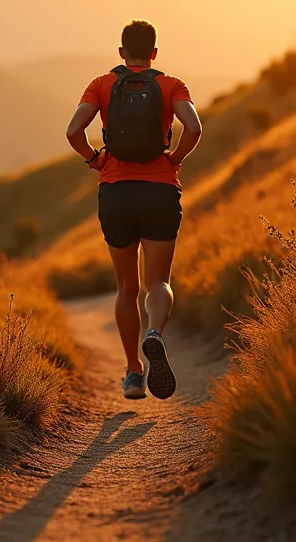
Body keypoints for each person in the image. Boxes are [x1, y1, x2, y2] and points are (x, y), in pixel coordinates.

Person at [64, 20, 202, 400]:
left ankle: (132, 373)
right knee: (157, 282)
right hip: (160, 190)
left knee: (127, 288)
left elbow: (73, 131)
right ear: (154, 53)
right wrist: (174, 158)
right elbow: (194, 126)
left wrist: (94, 160)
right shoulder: (172, 84)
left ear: (121, 53)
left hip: (116, 191)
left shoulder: (101, 84)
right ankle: (154, 332)